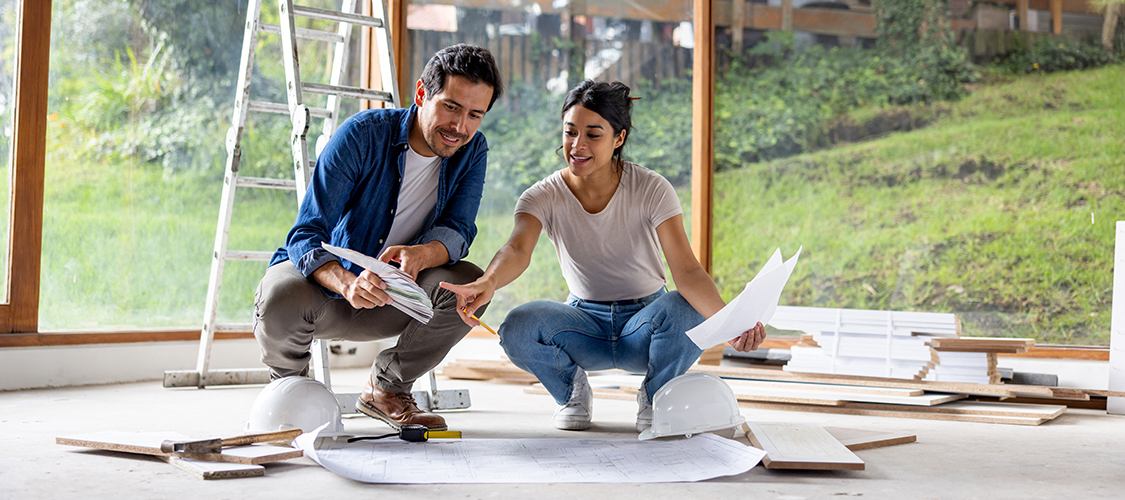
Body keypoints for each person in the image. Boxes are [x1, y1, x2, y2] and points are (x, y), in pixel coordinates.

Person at [441, 80, 766, 432]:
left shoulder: (652, 188)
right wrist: (487, 282)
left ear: (619, 138)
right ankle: (572, 394)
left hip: (646, 323)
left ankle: (656, 397)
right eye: (570, 132)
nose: (577, 146)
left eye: (593, 135)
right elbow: (517, 249)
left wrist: (731, 324)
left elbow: (686, 271)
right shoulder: (542, 196)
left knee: (685, 308)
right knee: (517, 327)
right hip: (584, 324)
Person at [253, 44, 503, 432]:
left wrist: (423, 254)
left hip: (396, 300)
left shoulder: (473, 151)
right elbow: (306, 233)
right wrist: (347, 282)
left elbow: (459, 229)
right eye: (451, 107)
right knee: (278, 293)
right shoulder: (362, 135)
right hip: (330, 295)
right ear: (421, 94)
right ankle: (290, 393)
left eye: (475, 115)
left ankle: (386, 389)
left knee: (467, 284)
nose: (460, 128)